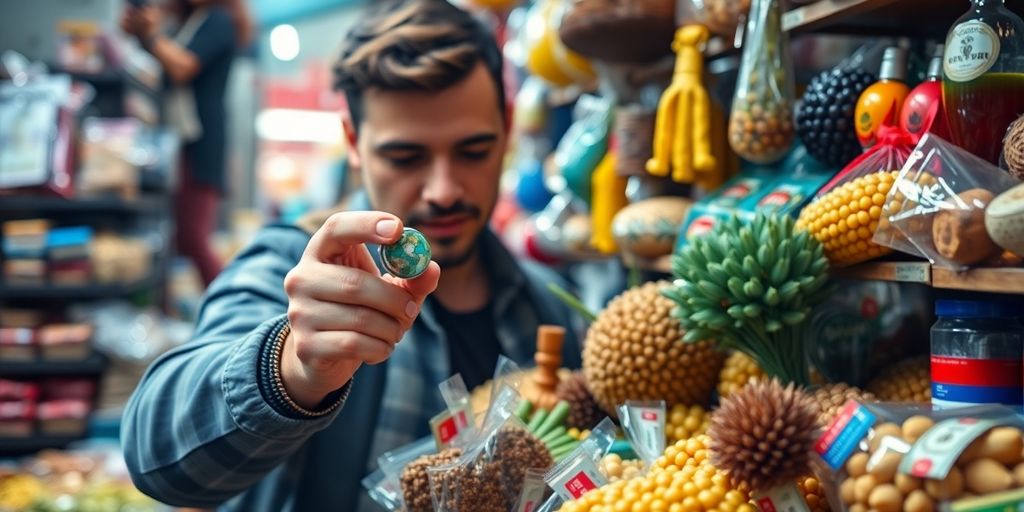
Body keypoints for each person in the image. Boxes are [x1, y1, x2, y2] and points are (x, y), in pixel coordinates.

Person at [121, 1, 582, 510]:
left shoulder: (549, 308)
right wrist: (292, 369)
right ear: (353, 142)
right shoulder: (293, 272)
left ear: (508, 127)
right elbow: (155, 452)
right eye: (405, 157)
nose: (444, 190)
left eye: (474, 151)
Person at [120, 0, 251, 287]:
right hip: (181, 142)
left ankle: (230, 306)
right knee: (181, 236)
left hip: (201, 143)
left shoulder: (218, 21)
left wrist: (151, 36)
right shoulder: (187, 23)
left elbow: (182, 66)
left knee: (193, 236)